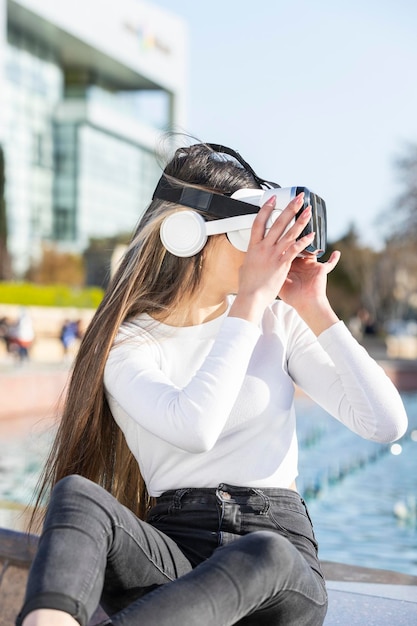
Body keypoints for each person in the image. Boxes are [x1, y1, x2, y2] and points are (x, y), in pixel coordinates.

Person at [17, 141, 408, 626]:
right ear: (186, 236)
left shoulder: (277, 322)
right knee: (77, 494)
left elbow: (386, 423)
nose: (262, 250)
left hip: (279, 567)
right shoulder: (129, 344)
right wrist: (250, 301)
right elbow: (194, 427)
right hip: (175, 559)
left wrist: (313, 305)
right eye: (249, 235)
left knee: (265, 552)